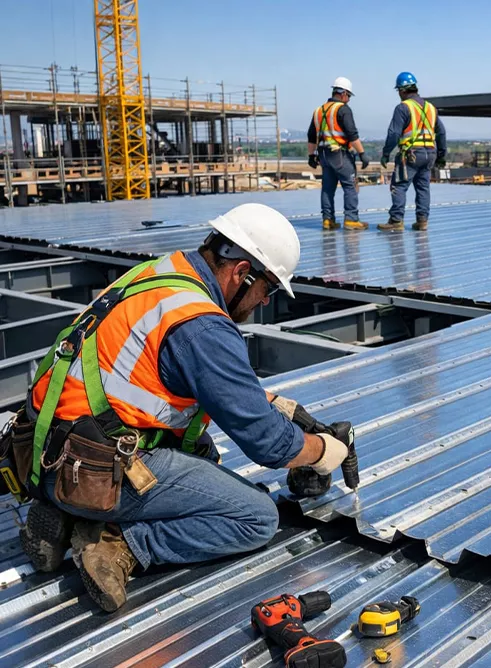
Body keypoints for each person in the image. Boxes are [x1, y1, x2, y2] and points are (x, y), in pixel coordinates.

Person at [14, 203, 357, 612]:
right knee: (256, 517)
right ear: (241, 271)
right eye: (267, 289)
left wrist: (277, 405)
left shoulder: (163, 273)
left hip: (41, 451)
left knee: (204, 454)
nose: (264, 302)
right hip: (92, 466)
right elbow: (268, 445)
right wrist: (322, 452)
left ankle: (64, 514)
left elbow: (168, 375)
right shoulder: (202, 324)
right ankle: (118, 541)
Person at [378, 72, 448, 232]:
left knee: (399, 185)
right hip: (430, 154)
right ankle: (422, 221)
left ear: (402, 90)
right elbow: (442, 132)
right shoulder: (431, 108)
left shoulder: (403, 107)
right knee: (423, 187)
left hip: (411, 155)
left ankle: (396, 220)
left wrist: (386, 153)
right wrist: (442, 155)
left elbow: (394, 133)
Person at [308, 77, 371, 231]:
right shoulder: (343, 109)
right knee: (349, 186)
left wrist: (311, 156)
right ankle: (351, 219)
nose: (348, 99)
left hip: (323, 154)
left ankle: (328, 220)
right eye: (348, 96)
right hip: (340, 154)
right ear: (343, 93)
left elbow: (311, 136)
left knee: (328, 188)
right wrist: (362, 153)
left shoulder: (319, 110)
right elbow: (352, 134)